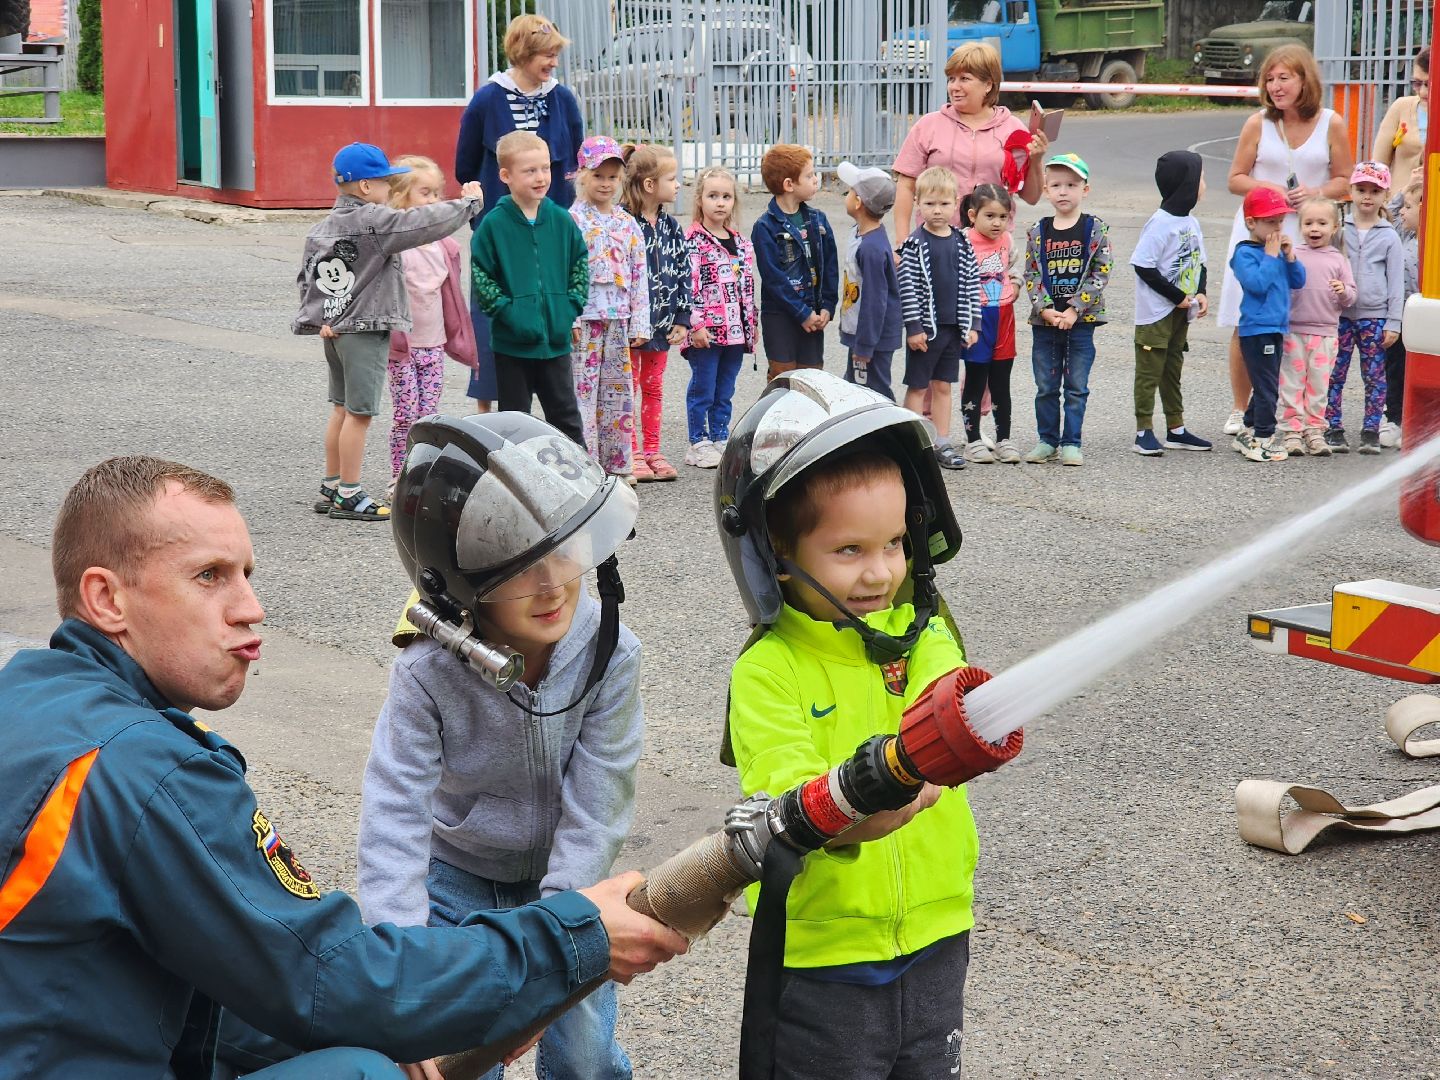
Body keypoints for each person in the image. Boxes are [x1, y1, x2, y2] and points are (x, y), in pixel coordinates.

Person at [0, 455, 687, 1078]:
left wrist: (424, 1008)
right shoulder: (150, 771)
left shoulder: (32, 700)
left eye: (246, 575)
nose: (252, 608)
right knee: (364, 1074)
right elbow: (330, 976)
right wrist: (570, 936)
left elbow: (255, 975)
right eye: (209, 577)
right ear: (106, 599)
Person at [360, 413, 644, 1080]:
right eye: (520, 566)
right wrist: (397, 981)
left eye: (565, 551)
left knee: (586, 1055)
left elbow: (600, 803)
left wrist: (555, 942)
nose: (553, 584)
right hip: (456, 881)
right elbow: (393, 813)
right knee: (459, 1057)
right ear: (461, 582)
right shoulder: (427, 671)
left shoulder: (613, 652)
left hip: (568, 880)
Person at [715, 369, 975, 1080]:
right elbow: (793, 801)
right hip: (828, 960)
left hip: (937, 933)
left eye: (894, 543)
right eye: (849, 550)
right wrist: (879, 794)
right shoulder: (768, 671)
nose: (880, 573)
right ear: (777, 554)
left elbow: (947, 706)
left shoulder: (925, 634)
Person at [294, 142, 482, 523]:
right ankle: (349, 492)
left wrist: (319, 320)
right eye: (383, 183)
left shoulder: (322, 227)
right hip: (365, 329)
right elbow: (423, 224)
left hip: (335, 328)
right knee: (361, 415)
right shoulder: (375, 221)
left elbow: (308, 278)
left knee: (342, 408)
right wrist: (469, 205)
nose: (387, 191)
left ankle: (331, 483)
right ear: (365, 187)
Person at [1217, 44, 1352, 438]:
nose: (1275, 86)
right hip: (1260, 232)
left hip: (1306, 234)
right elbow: (1235, 178)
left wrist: (1316, 191)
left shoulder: (1332, 123)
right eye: (1270, 79)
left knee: (1297, 325)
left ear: (1304, 80)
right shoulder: (1258, 123)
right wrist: (1272, 190)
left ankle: (1295, 412)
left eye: (1284, 78)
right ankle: (1241, 407)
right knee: (1249, 322)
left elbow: (1345, 179)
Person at [455, 13, 585, 415]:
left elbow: (574, 159)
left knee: (547, 313)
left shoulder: (561, 97)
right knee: (494, 317)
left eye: (555, 55)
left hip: (549, 228)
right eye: (546, 55)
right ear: (522, 53)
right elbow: (466, 164)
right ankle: (488, 416)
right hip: (503, 227)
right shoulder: (489, 97)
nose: (552, 63)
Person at [471, 131, 588, 446]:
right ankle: (518, 487)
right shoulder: (493, 225)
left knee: (566, 417)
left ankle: (584, 483)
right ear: (505, 175)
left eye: (545, 168)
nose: (541, 177)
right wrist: (509, 313)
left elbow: (579, 264)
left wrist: (569, 307)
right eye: (530, 171)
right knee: (514, 423)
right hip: (512, 345)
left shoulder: (562, 220)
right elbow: (482, 277)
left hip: (556, 342)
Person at [385, 156, 479, 499]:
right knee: (405, 415)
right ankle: (399, 474)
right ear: (400, 197)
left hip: (433, 344)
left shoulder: (445, 246)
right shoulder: (395, 245)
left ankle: (423, 475)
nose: (434, 200)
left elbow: (449, 295)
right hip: (403, 347)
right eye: (425, 192)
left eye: (437, 192)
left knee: (429, 417)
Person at [891, 41, 1049, 236]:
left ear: (988, 85)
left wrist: (1036, 160)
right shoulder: (928, 126)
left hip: (992, 246)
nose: (954, 87)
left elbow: (1031, 197)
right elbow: (906, 186)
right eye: (951, 79)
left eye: (964, 79)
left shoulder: (1013, 129)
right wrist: (902, 242)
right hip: (935, 241)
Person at [1021, 153, 1113, 468]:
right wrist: (1045, 309)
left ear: (1085, 189)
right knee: (1046, 385)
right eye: (1056, 185)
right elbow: (1031, 274)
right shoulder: (1038, 231)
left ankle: (1072, 442)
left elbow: (1101, 272)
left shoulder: (1094, 228)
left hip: (1081, 322)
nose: (1063, 191)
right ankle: (1047, 440)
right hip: (1045, 324)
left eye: (1071, 185)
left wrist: (1075, 308)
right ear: (1046, 190)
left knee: (1076, 385)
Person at [569, 136, 650, 484]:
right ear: (582, 175)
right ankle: (584, 464)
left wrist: (640, 322)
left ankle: (617, 462)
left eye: (612, 177)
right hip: (584, 320)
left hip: (618, 319)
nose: (605, 183)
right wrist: (568, 316)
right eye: (598, 175)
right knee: (582, 393)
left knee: (617, 392)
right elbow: (563, 270)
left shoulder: (627, 223)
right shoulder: (571, 220)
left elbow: (639, 272)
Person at [1130, 150, 1212, 458]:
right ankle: (1143, 432)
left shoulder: (1190, 221)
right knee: (1150, 371)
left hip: (1181, 313)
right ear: (1186, 183)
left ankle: (1176, 429)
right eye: (1200, 177)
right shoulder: (1160, 223)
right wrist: (1177, 297)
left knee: (1172, 369)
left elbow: (1199, 261)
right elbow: (1143, 266)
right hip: (1156, 314)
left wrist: (1200, 292)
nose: (1204, 183)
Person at [897, 165, 978, 471]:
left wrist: (973, 324)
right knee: (918, 387)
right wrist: (914, 327)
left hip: (953, 329)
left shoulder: (962, 242)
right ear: (918, 204)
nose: (937, 210)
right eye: (929, 204)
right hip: (925, 332)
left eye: (944, 204)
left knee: (943, 386)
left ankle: (941, 441)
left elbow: (972, 284)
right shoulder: (915, 244)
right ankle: (913, 442)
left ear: (956, 202)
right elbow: (908, 290)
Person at [620, 143, 691, 482]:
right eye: (672, 178)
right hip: (633, 327)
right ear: (650, 185)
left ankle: (652, 450)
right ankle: (630, 451)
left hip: (662, 325)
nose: (678, 185)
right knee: (628, 387)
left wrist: (682, 317)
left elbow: (683, 270)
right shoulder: (622, 222)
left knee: (654, 387)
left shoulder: (671, 226)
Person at [1326, 161, 1405, 455]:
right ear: (1352, 191)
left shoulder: (1389, 236)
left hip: (1374, 316)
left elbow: (1396, 283)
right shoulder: (1338, 230)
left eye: (1374, 190)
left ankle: (1371, 429)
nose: (1367, 197)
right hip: (1340, 315)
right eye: (1361, 190)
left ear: (1385, 194)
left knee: (1374, 375)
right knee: (1335, 372)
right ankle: (1332, 426)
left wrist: (1393, 322)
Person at [682, 165, 757, 470]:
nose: (720, 202)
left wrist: (751, 326)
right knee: (704, 388)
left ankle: (719, 436)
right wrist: (696, 324)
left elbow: (748, 289)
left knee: (725, 389)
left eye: (726, 196)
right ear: (700, 199)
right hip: (707, 333)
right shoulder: (694, 241)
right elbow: (690, 285)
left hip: (735, 332)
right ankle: (698, 441)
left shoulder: (741, 243)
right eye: (713, 196)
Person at [1229, 186, 1306, 463]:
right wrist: (1272, 256)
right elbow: (1256, 285)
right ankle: (1263, 438)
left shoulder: (1275, 253)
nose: (1277, 227)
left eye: (1280, 221)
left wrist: (1290, 256)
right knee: (1267, 388)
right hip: (1257, 330)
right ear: (1251, 223)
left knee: (1267, 383)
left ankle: (1247, 431)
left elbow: (1298, 281)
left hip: (1276, 328)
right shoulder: (1245, 254)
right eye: (1270, 221)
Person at [751, 144, 838, 381]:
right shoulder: (765, 227)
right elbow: (773, 277)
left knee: (811, 379)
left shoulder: (819, 220)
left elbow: (831, 266)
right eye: (809, 176)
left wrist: (828, 306)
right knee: (783, 378)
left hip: (814, 313)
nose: (815, 180)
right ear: (789, 185)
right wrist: (801, 313)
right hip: (780, 316)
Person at [1280, 197, 1355, 457]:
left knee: (1318, 385)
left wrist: (1343, 290)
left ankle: (1314, 430)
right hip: (1294, 330)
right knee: (1292, 382)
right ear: (1300, 226)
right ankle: (1291, 430)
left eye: (1322, 223)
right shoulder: (1294, 255)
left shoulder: (1338, 259)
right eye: (1309, 222)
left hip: (1325, 333)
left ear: (1334, 228)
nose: (1315, 228)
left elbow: (1352, 296)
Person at [959, 183, 1020, 464]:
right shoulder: (961, 241)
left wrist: (1017, 283)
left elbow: (1016, 265)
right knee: (975, 380)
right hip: (976, 318)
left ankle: (1004, 438)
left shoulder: (1007, 241)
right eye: (990, 216)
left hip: (1004, 316)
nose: (997, 223)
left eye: (1003, 217)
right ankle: (972, 441)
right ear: (973, 215)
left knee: (1001, 381)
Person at [837, 161, 903, 401]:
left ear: (858, 203)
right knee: (855, 387)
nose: (847, 195)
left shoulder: (871, 248)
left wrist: (864, 346)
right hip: (864, 335)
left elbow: (875, 301)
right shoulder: (864, 234)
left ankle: (891, 435)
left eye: (850, 191)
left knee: (873, 393)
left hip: (872, 338)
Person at [1384, 177, 1423, 448]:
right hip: (1400, 315)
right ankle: (1395, 419)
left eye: (1409, 207)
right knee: (1395, 369)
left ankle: (1414, 424)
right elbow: (1387, 213)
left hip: (1422, 317)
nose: (1402, 211)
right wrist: (1407, 187)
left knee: (1418, 370)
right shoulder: (1404, 234)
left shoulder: (1429, 243)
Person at [1373, 47, 1430, 207]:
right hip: (1399, 209)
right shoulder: (1401, 107)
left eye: (1430, 84)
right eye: (1417, 83)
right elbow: (1378, 165)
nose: (1423, 91)